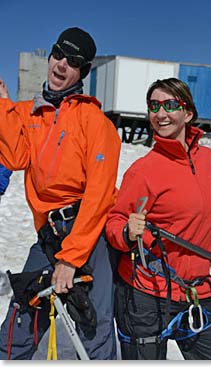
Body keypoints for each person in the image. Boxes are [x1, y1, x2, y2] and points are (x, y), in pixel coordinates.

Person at [0, 27, 121, 360]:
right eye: (58, 54)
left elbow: (99, 195)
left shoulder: (95, 122)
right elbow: (15, 157)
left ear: (82, 71)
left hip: (88, 232)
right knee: (21, 320)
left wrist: (71, 258)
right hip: (48, 234)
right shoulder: (29, 113)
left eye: (73, 61)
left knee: (92, 326)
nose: (62, 64)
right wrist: (1, 104)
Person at [106, 78, 211, 360]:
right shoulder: (143, 170)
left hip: (196, 291)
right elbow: (116, 222)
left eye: (170, 105)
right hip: (146, 294)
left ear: (188, 113)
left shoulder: (208, 161)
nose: (161, 113)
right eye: (154, 106)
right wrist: (129, 232)